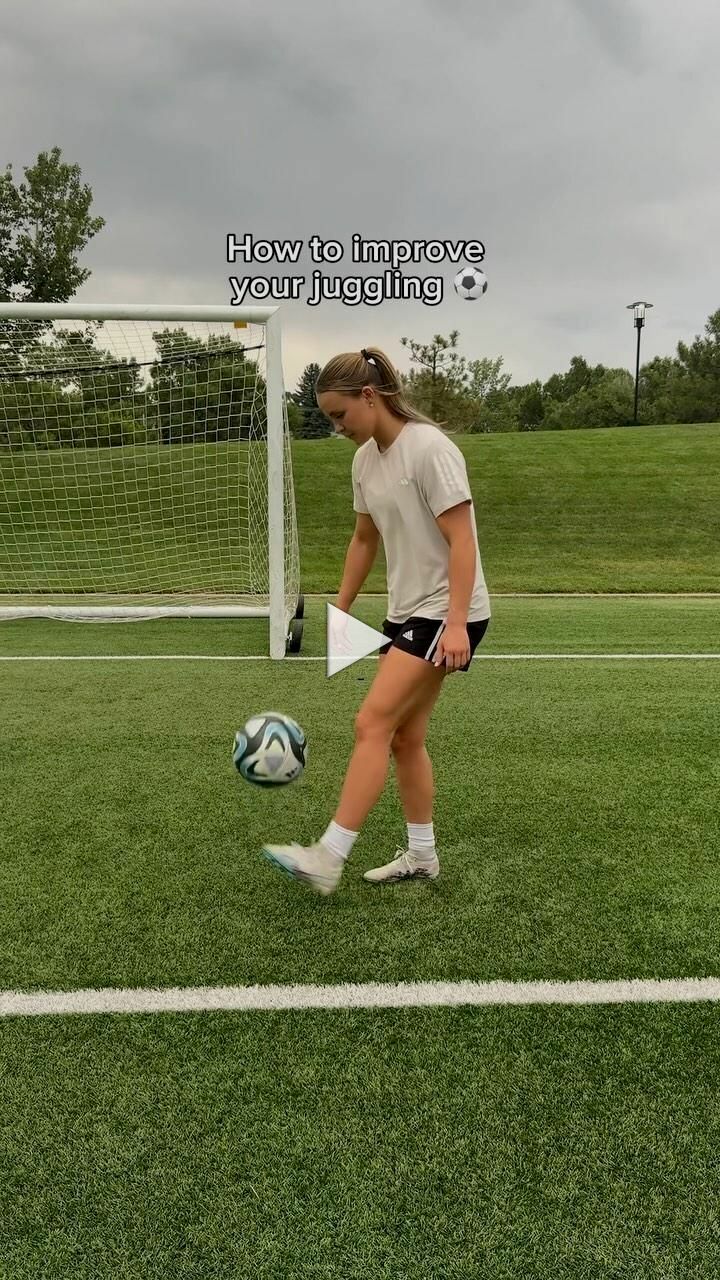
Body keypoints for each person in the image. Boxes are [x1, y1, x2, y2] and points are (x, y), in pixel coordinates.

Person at [262, 346, 491, 895]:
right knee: (404, 739)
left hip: (445, 611)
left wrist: (457, 623)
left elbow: (463, 540)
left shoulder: (429, 449)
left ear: (370, 396)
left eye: (341, 415)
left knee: (371, 723)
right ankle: (422, 856)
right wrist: (341, 606)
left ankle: (329, 855)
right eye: (329, 418)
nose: (337, 427)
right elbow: (364, 540)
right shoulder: (365, 460)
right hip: (406, 612)